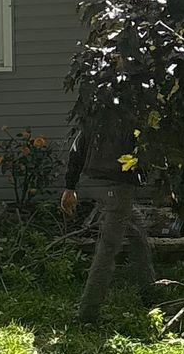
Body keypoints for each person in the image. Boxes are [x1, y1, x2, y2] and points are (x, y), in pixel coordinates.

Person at [62, 94, 156, 321]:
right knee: (108, 248)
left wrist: (70, 186)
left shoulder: (96, 110)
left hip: (95, 181)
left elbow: (77, 149)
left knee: (137, 231)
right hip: (118, 186)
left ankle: (151, 293)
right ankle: (88, 313)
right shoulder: (133, 114)